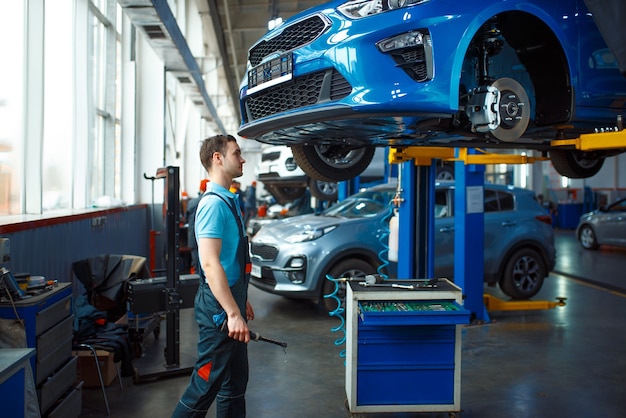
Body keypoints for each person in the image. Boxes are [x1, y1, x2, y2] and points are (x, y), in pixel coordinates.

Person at [172, 134, 254, 418]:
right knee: (205, 384)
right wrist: (232, 312)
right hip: (219, 311)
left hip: (231, 302)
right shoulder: (212, 205)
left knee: (234, 383)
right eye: (237, 153)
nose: (242, 159)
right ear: (217, 158)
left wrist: (240, 300)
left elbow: (231, 259)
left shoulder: (229, 200)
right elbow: (210, 264)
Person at [185, 178, 209, 275]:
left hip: (193, 237)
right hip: (208, 238)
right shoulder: (212, 202)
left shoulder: (192, 203)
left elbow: (186, 218)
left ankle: (195, 286)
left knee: (196, 264)